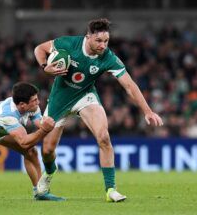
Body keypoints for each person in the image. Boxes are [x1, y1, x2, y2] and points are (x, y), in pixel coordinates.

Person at [34, 18, 164, 202]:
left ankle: (111, 189)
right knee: (47, 150)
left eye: (106, 41)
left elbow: (129, 85)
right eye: (99, 41)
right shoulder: (68, 43)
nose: (103, 45)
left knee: (103, 137)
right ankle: (49, 172)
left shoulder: (108, 57)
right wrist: (44, 67)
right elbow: (39, 48)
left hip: (85, 96)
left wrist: (148, 111)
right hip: (59, 100)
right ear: (88, 37)